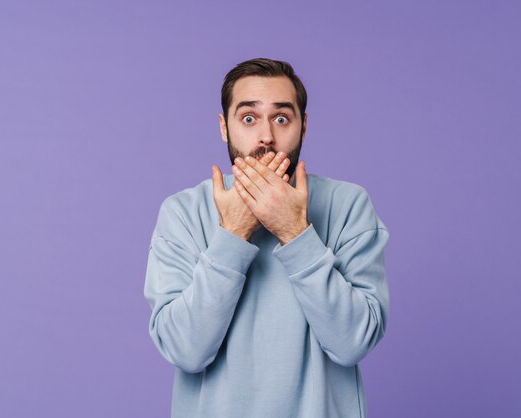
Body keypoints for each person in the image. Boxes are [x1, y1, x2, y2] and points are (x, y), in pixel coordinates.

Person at [143, 57, 390, 418]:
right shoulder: (182, 212)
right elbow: (185, 350)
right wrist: (233, 234)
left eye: (281, 118)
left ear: (303, 127)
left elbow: (353, 342)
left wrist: (295, 231)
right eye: (248, 118)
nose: (266, 137)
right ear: (224, 128)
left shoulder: (348, 205)